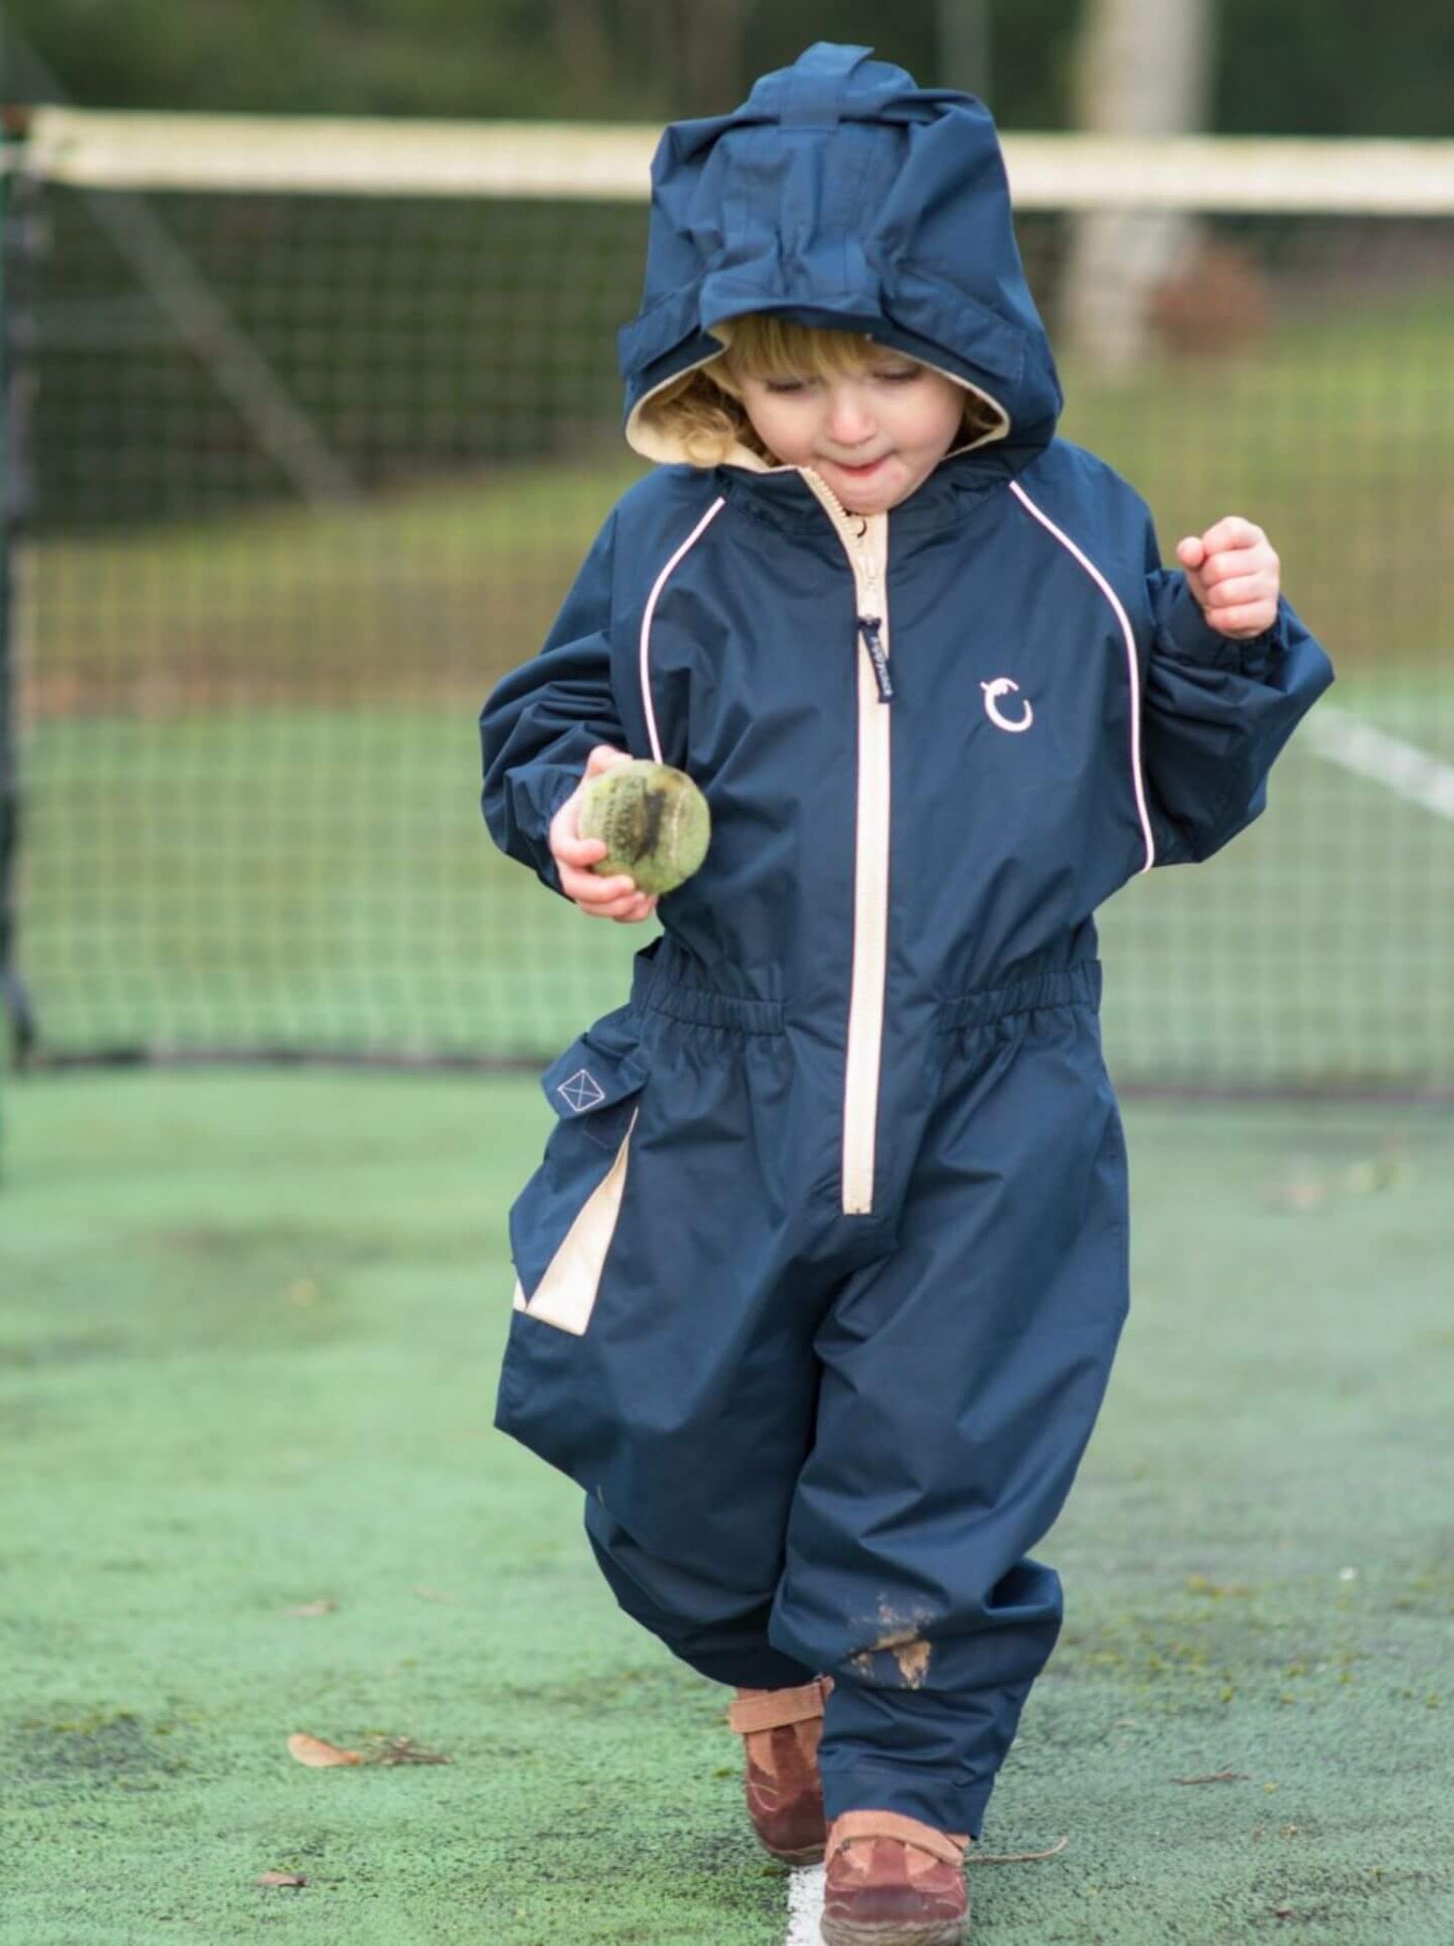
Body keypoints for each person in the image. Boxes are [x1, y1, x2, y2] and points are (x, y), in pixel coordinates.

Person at [480, 42, 1332, 1945]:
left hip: (997, 1096)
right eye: (790, 382)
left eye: (886, 370)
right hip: (716, 1079)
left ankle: (896, 1806)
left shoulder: (1074, 529)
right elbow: (550, 720)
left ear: (970, 348)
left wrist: (1233, 646)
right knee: (661, 1448)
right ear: (721, 380)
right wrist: (566, 819)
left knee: (942, 1452)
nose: (845, 419)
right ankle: (771, 1678)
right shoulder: (669, 542)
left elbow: (1180, 788)